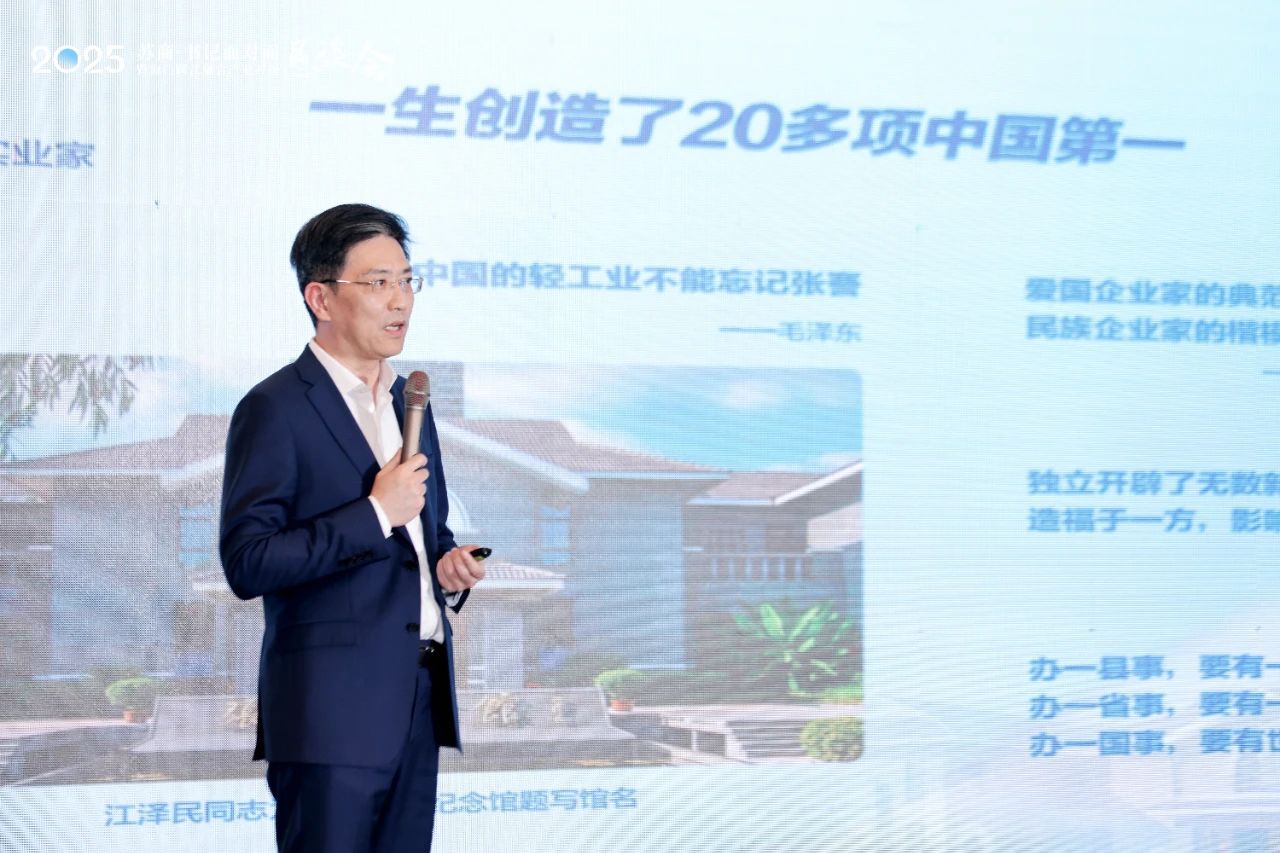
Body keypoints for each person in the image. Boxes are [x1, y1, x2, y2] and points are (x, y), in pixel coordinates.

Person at [219, 203, 486, 852]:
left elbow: (423, 533)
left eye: (407, 280)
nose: (400, 300)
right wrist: (374, 513)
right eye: (378, 282)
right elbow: (249, 562)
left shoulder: (409, 401)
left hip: (417, 694)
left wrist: (447, 564)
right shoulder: (275, 407)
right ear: (321, 298)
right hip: (329, 713)